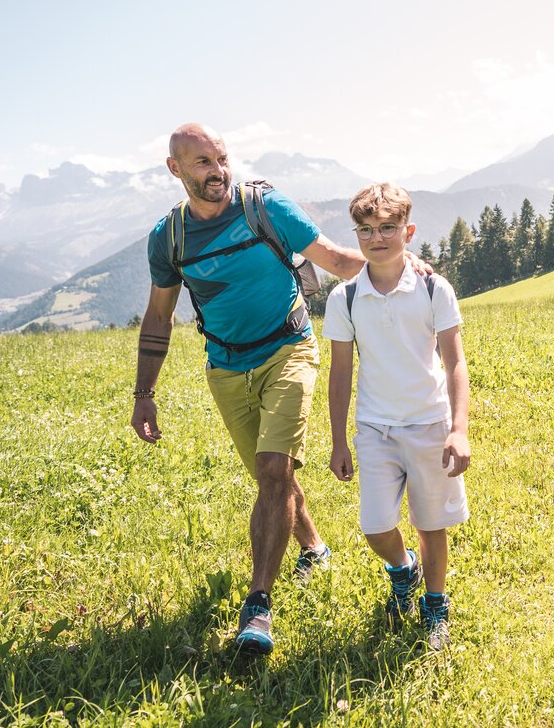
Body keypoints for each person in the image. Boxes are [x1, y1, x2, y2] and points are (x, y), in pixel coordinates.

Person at [130, 123, 376, 657]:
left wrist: (403, 268)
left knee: (272, 470)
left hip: (289, 348)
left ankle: (258, 606)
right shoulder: (168, 238)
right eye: (201, 163)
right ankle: (313, 547)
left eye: (221, 159)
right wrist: (143, 394)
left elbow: (335, 260)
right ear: (175, 169)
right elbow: (158, 316)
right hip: (225, 369)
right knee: (273, 479)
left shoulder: (266, 208)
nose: (217, 172)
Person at [324, 183, 471, 651]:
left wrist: (459, 429)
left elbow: (456, 362)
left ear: (408, 231)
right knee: (374, 525)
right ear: (356, 235)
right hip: (375, 428)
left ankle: (435, 604)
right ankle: (402, 569)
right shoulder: (344, 298)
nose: (377, 238)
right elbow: (341, 373)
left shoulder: (432, 287)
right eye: (366, 230)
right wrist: (339, 441)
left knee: (432, 525)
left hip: (429, 423)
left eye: (388, 228)